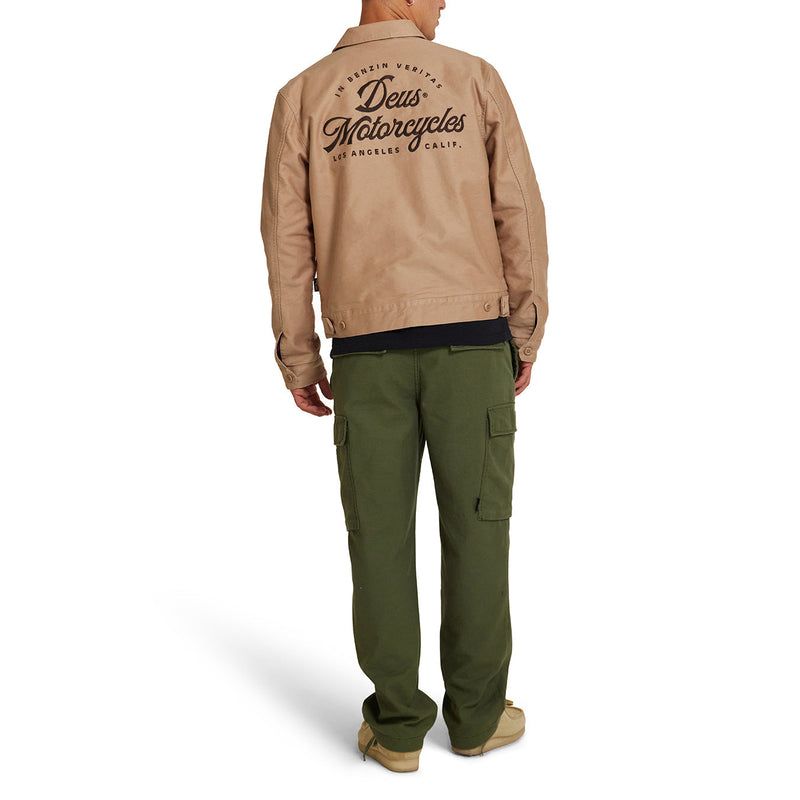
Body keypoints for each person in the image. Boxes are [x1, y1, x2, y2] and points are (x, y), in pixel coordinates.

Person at [260, 0, 548, 773]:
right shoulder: (472, 79)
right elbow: (518, 211)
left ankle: (395, 731)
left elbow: (286, 240)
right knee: (479, 531)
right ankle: (478, 717)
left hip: (367, 355)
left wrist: (299, 355)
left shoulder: (302, 97)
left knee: (379, 539)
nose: (446, 2)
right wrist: (524, 329)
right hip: (472, 347)